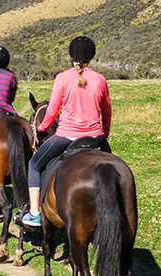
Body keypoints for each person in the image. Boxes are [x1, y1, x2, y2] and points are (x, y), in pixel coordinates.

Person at [19, 35, 112, 227]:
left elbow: (52, 110)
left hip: (66, 136)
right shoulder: (101, 79)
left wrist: (42, 127)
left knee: (35, 165)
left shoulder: (62, 78)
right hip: (96, 137)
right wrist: (105, 133)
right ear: (91, 56)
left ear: (71, 56)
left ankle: (35, 213)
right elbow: (107, 110)